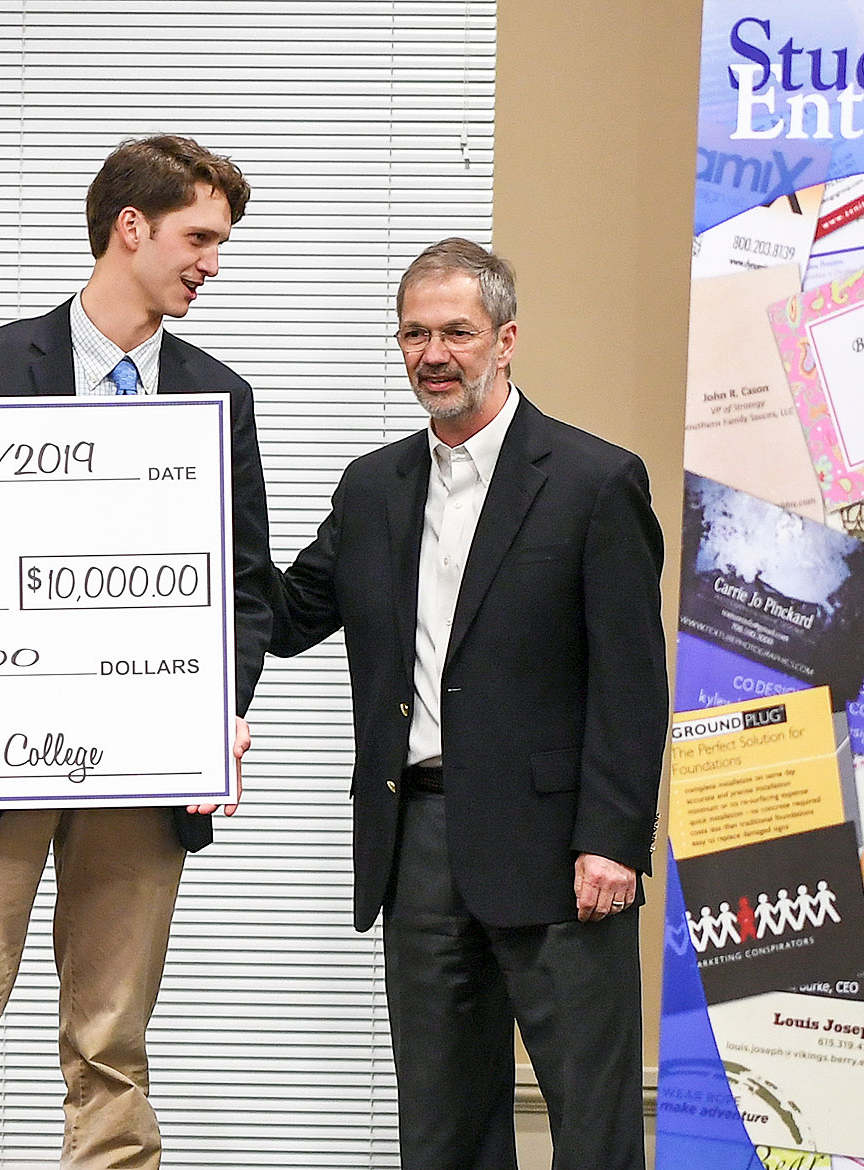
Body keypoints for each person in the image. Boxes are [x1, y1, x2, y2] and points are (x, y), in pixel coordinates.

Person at [0, 134, 274, 1170]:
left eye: (221, 243)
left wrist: (220, 713)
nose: (212, 263)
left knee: (111, 1045)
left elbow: (242, 589)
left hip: (142, 768)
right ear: (128, 229)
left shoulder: (216, 394)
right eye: (199, 237)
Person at [270, 238, 668, 1170]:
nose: (433, 353)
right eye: (414, 333)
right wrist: (193, 507)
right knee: (443, 1127)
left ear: (506, 339)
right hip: (421, 848)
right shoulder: (373, 489)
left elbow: (631, 679)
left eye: (457, 330)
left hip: (564, 851)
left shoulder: (592, 480)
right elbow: (285, 618)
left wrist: (612, 838)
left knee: (591, 1121)